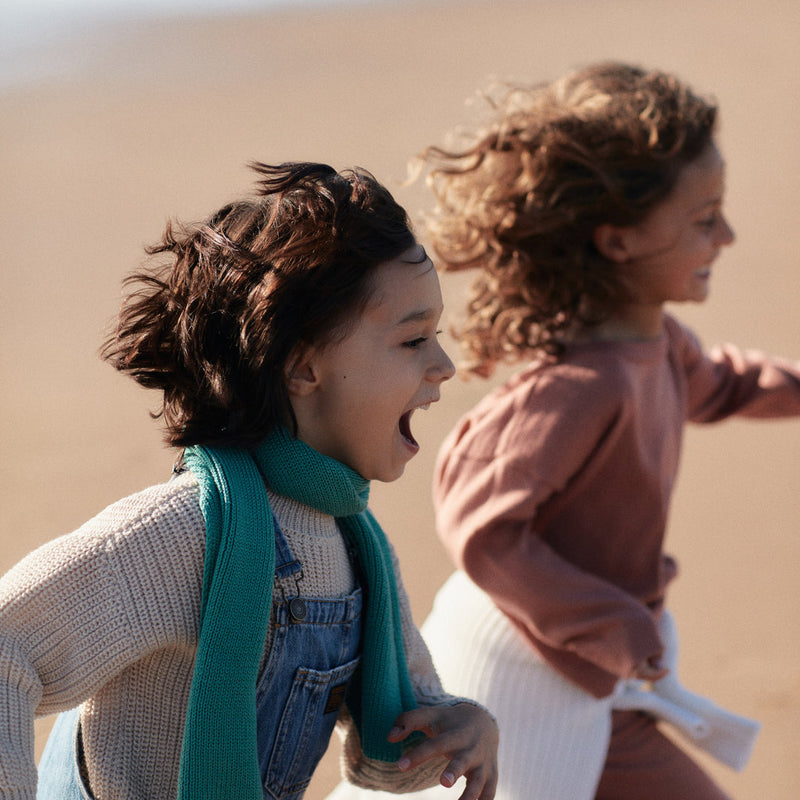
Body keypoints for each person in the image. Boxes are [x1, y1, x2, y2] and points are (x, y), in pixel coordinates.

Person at [326, 61, 800, 800]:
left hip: (594, 668)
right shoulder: (577, 389)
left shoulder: (660, 345)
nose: (728, 236)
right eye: (705, 220)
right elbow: (481, 526)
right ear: (616, 242)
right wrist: (613, 623)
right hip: (520, 668)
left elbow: (723, 382)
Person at [0, 162, 499, 800]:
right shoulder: (184, 532)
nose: (444, 365)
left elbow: (400, 740)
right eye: (413, 340)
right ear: (302, 366)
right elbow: (11, 645)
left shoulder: (357, 547)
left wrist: (465, 726)